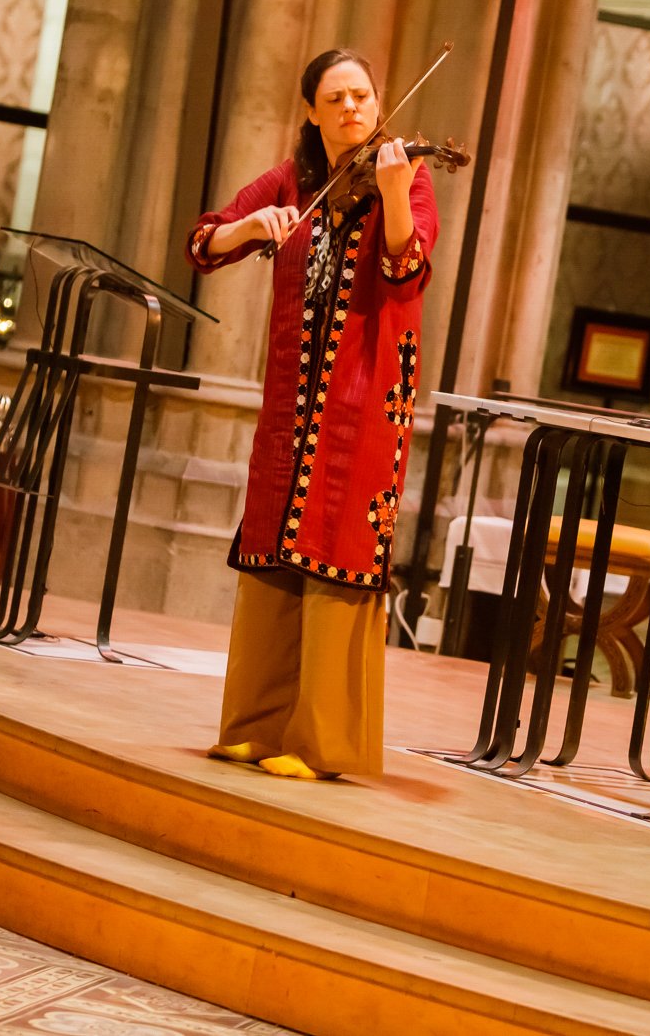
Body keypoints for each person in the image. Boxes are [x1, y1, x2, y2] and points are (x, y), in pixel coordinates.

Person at [185, 48, 438, 780]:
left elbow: (406, 266)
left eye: (362, 95)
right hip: (291, 389)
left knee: (335, 542)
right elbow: (206, 242)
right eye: (337, 98)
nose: (353, 108)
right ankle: (258, 725)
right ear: (312, 110)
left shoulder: (408, 173)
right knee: (271, 537)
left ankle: (322, 741)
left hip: (365, 391)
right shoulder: (293, 177)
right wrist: (248, 228)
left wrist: (393, 193)